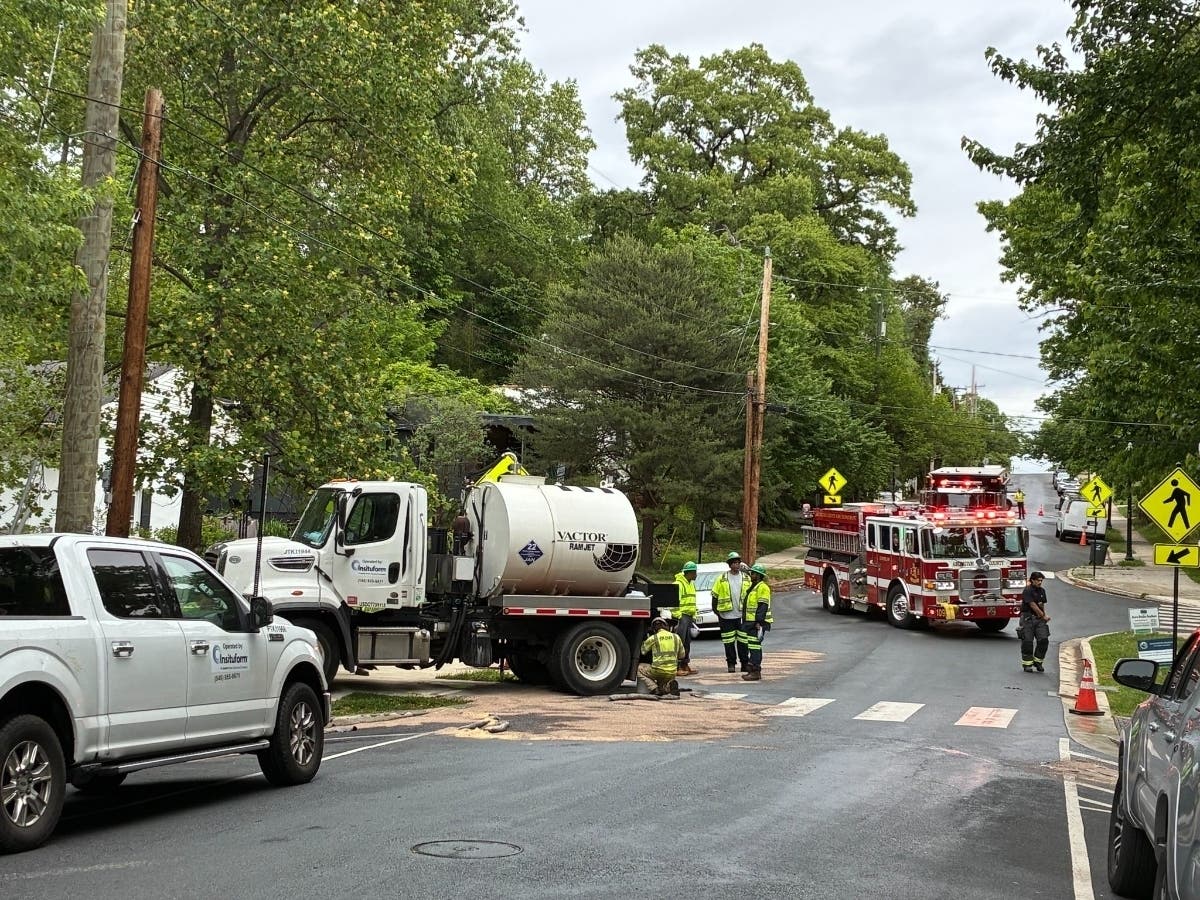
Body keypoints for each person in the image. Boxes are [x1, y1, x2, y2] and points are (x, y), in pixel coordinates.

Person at [711, 551, 750, 673]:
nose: (736, 565)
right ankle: (731, 664)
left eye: (738, 563)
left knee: (743, 642)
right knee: (728, 642)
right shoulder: (721, 579)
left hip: (741, 616)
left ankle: (744, 663)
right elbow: (715, 597)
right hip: (726, 616)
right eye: (734, 563)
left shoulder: (746, 578)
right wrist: (718, 613)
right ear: (729, 564)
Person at [738, 563, 773, 681]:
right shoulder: (754, 586)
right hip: (750, 622)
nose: (751, 575)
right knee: (752, 646)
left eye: (753, 573)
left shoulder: (762, 587)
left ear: (758, 575)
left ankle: (755, 671)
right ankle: (752, 670)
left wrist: (759, 622)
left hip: (756, 623)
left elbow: (762, 606)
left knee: (755, 647)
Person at [638, 617, 684, 696]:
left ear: (654, 629)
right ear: (666, 626)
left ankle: (654, 688)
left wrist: (646, 640)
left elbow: (643, 651)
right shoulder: (676, 637)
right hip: (672, 672)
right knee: (663, 688)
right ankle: (670, 684)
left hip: (658, 671)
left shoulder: (653, 638)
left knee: (639, 669)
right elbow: (682, 655)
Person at [1019, 571, 1050, 673]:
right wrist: (1043, 616)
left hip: (1039, 619)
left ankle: (1038, 661)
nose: (1040, 582)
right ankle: (1027, 664)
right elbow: (1032, 605)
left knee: (1044, 640)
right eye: (1038, 580)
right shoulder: (1027, 590)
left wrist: (1044, 615)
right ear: (1032, 580)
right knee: (1027, 642)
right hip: (1027, 618)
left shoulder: (1042, 591)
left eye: (1041, 581)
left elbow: (1041, 605)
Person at [672, 561, 699, 675]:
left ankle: (684, 664)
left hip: (689, 616)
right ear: (689, 573)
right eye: (695, 572)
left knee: (687, 642)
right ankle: (677, 667)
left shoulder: (691, 584)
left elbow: (692, 601)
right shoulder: (679, 584)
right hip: (681, 616)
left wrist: (694, 615)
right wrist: (678, 616)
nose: (696, 575)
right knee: (680, 642)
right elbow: (674, 602)